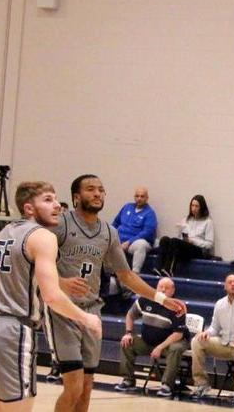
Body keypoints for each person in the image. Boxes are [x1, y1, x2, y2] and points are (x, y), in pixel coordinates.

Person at [47, 174, 186, 412]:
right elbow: (35, 263)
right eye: (91, 189)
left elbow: (127, 276)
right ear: (76, 196)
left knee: (87, 385)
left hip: (91, 311)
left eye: (101, 189)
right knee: (73, 384)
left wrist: (162, 299)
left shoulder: (108, 232)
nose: (98, 194)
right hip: (63, 309)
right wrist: (59, 282)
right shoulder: (60, 224)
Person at [0, 181, 102, 412]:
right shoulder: (42, 236)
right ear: (29, 209)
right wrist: (87, 319)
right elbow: (52, 296)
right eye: (48, 200)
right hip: (12, 331)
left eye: (56, 199)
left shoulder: (2, 234)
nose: (57, 205)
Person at [190, 271, 234, 403]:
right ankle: (202, 384)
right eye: (230, 282)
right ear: (225, 286)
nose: (233, 284)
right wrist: (207, 332)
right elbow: (214, 327)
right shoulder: (220, 304)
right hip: (224, 344)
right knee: (197, 341)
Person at [114, 277, 188, 397]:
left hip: (170, 343)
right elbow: (130, 315)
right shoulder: (144, 300)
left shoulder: (176, 307)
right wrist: (128, 333)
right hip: (148, 341)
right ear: (156, 288)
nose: (163, 290)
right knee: (127, 343)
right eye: (160, 287)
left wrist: (160, 347)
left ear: (173, 291)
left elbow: (178, 334)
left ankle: (167, 385)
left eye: (167, 288)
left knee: (176, 348)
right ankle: (128, 380)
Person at [156, 194, 214, 276]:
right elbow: (179, 238)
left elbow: (209, 244)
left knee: (175, 242)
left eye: (197, 206)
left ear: (202, 207)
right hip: (185, 246)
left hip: (199, 249)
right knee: (164, 239)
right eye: (192, 205)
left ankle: (168, 269)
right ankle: (158, 268)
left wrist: (193, 241)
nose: (194, 208)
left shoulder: (208, 222)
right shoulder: (186, 219)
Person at [112, 187, 157, 273]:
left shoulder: (149, 213)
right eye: (137, 196)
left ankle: (135, 273)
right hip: (119, 240)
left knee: (141, 244)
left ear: (147, 198)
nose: (139, 198)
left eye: (142, 196)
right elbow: (116, 223)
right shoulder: (127, 207)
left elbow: (147, 232)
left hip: (134, 243)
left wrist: (129, 242)